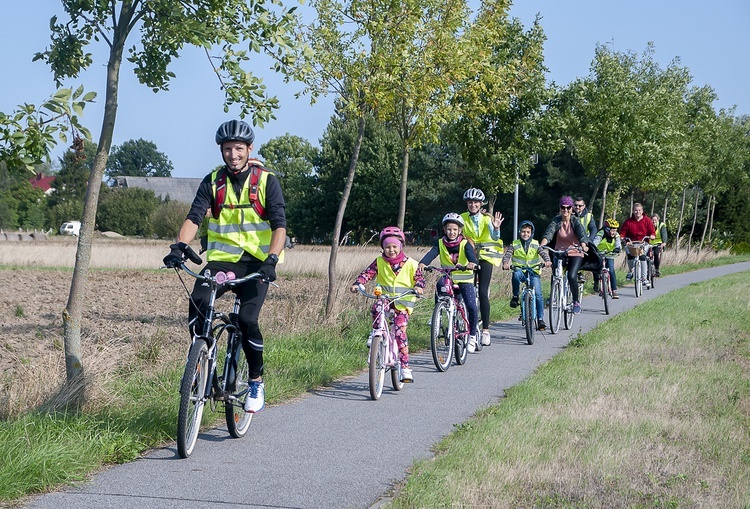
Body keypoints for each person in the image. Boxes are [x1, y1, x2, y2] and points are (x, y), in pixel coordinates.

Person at [163, 120, 287, 414]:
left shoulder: (266, 181)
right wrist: (179, 245)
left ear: (249, 149)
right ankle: (201, 360)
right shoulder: (213, 181)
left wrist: (271, 259)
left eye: (238, 149)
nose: (233, 154)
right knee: (199, 303)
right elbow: (194, 216)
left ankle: (256, 380)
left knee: (246, 320)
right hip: (221, 262)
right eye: (227, 149)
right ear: (221, 150)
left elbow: (280, 225)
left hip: (258, 264)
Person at [350, 226, 425, 382]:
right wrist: (358, 283)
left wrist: (418, 287)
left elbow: (420, 279)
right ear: (383, 248)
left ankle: (405, 368)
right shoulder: (379, 262)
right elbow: (367, 274)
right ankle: (376, 332)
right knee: (376, 308)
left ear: (401, 247)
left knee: (400, 332)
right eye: (388, 247)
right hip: (384, 300)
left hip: (402, 304)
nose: (391, 250)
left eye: (394, 247)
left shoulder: (411, 263)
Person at [418, 213, 480, 352]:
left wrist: (472, 264)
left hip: (464, 279)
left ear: (460, 230)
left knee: (471, 306)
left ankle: (472, 336)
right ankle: (437, 316)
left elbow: (472, 257)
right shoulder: (440, 243)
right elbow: (431, 254)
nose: (451, 232)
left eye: (454, 229)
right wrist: (423, 263)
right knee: (439, 285)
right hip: (448, 276)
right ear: (444, 230)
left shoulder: (465, 243)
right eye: (449, 229)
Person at [460, 188, 504, 347]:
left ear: (481, 204)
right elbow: (456, 233)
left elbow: (494, 236)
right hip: (469, 257)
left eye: (476, 202)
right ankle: (466, 325)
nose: (473, 205)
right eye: (470, 202)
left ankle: (485, 330)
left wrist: (496, 228)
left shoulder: (487, 219)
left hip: (486, 257)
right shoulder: (462, 218)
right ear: (467, 204)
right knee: (466, 291)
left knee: (483, 292)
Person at [540, 195, 590, 315]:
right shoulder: (556, 220)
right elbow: (549, 233)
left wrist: (583, 244)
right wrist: (542, 245)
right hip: (560, 251)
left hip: (575, 251)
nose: (565, 210)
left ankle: (576, 301)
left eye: (568, 208)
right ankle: (554, 296)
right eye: (563, 207)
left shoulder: (575, 221)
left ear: (572, 209)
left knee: (572, 276)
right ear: (560, 208)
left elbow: (582, 234)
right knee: (556, 273)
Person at [502, 221, 552, 331]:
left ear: (531, 233)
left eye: (528, 232)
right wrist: (505, 263)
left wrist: (547, 261)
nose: (525, 234)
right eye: (523, 232)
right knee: (515, 275)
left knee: (538, 294)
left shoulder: (535, 244)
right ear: (520, 232)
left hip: (533, 272)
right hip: (520, 270)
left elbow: (543, 253)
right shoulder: (514, 244)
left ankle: (540, 319)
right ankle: (515, 296)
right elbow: (507, 255)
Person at [618, 203, 655, 282]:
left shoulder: (647, 220)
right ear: (633, 211)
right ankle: (631, 270)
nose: (637, 212)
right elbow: (623, 232)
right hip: (632, 242)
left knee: (642, 257)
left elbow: (652, 231)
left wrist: (652, 235)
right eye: (636, 210)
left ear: (642, 211)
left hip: (643, 242)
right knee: (630, 256)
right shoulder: (628, 221)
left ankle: (644, 278)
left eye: (639, 210)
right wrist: (622, 236)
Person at [573, 196, 600, 292]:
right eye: (575, 205)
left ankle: (596, 280)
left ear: (584, 206)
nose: (577, 207)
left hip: (586, 241)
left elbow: (593, 229)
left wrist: (590, 240)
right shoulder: (570, 214)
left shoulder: (588, 216)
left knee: (594, 257)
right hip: (573, 241)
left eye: (580, 206)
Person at [593, 218, 622, 299]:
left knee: (611, 270)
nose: (614, 232)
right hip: (599, 253)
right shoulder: (601, 233)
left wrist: (618, 248)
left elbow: (618, 244)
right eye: (612, 230)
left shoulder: (616, 235)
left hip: (610, 254)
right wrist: (594, 249)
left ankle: (614, 290)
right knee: (596, 268)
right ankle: (596, 283)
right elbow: (596, 241)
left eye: (615, 230)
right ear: (607, 229)